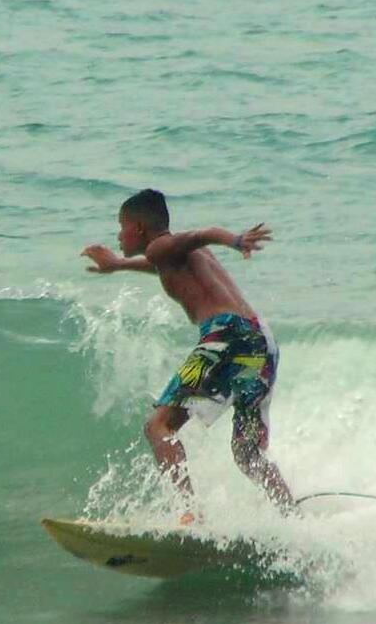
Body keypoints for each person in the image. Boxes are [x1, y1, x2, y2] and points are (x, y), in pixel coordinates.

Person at [81, 188, 295, 522]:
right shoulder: (169, 256)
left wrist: (235, 240)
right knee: (246, 453)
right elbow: (160, 265)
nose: (118, 235)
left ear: (138, 227)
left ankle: (189, 514)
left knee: (159, 426)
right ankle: (291, 516)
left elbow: (202, 234)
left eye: (121, 226)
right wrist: (119, 264)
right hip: (257, 342)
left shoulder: (161, 245)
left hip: (223, 336)